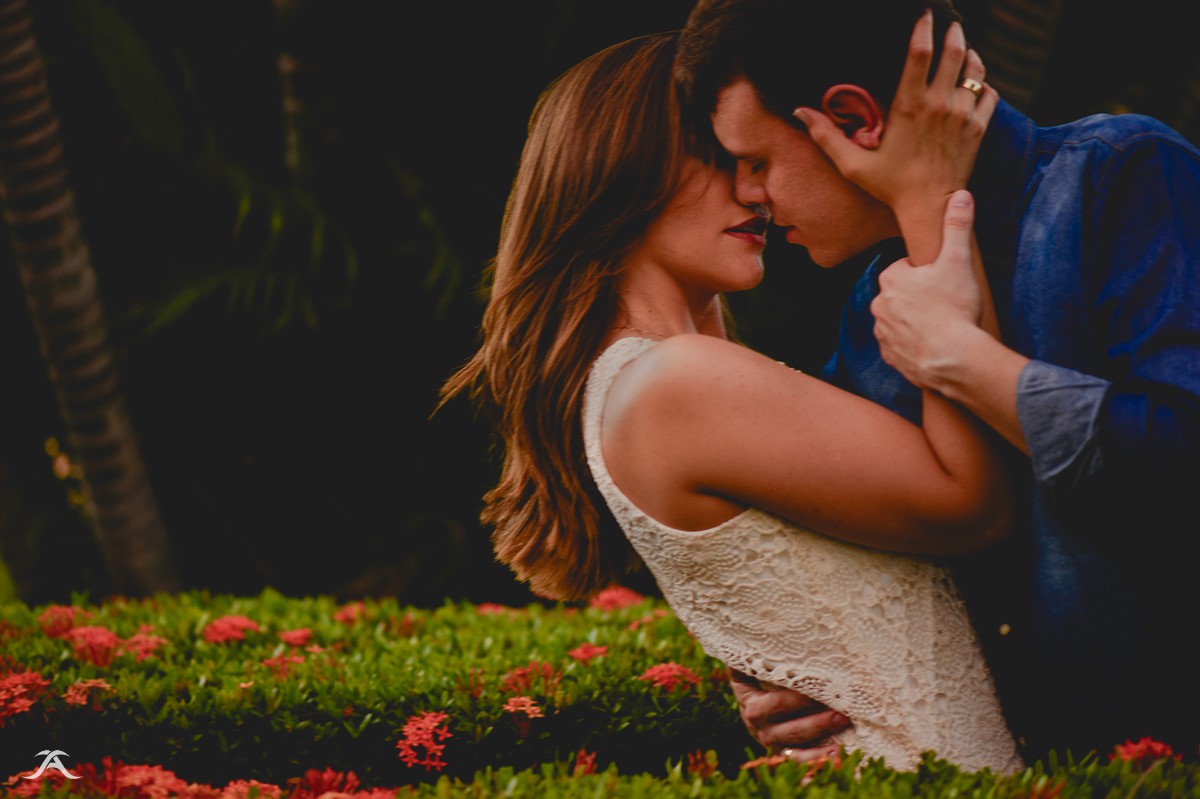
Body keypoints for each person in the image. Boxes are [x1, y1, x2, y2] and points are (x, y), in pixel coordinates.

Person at [442, 29, 1028, 772]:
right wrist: (929, 194)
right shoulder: (675, 382)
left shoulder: (660, 379)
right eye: (721, 159)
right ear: (624, 167)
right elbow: (974, 504)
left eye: (755, 161)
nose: (754, 189)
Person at [674, 0, 1200, 762]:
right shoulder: (877, 298)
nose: (749, 194)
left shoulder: (1123, 175)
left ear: (854, 119)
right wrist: (793, 682)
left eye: (756, 161)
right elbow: (850, 555)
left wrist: (967, 361)